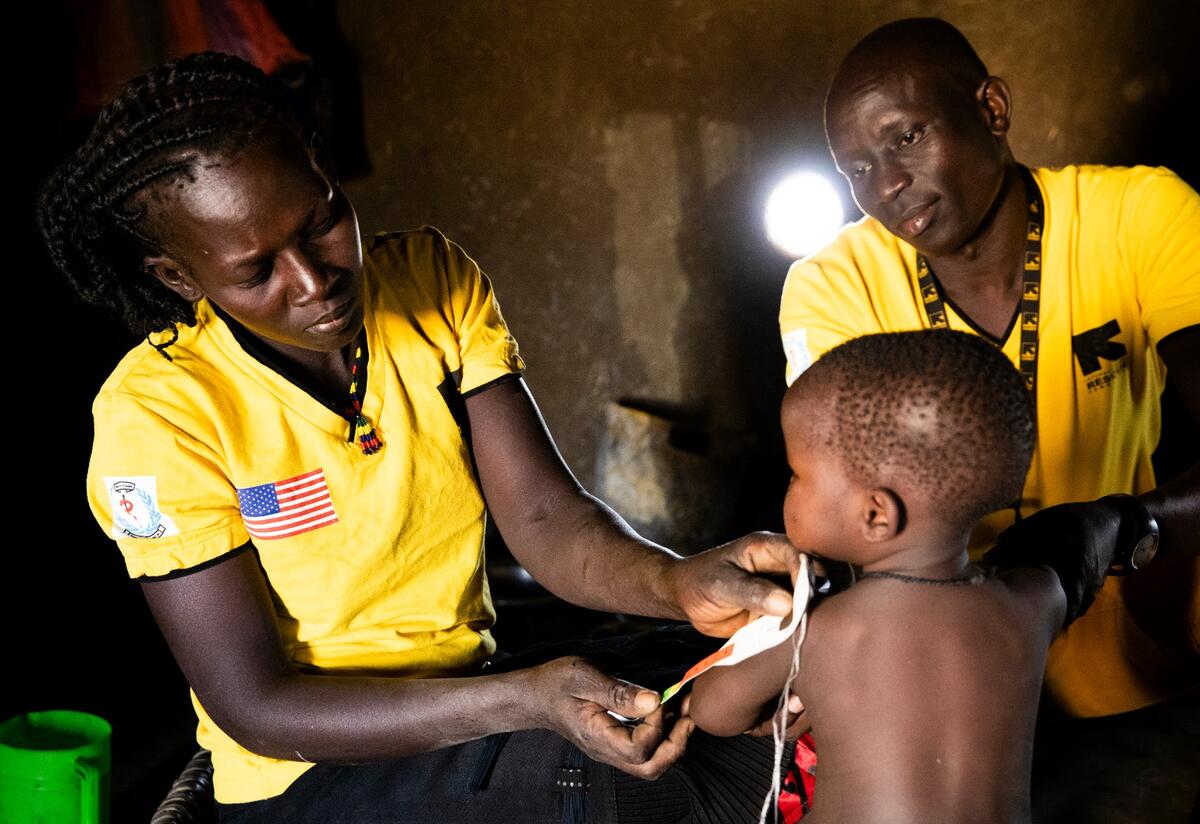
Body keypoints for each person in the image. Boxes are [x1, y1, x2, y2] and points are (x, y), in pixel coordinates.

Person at [37, 52, 800, 823]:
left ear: (322, 166)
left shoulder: (433, 283)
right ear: (179, 278)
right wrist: (519, 701)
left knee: (738, 680)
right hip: (310, 776)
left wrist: (677, 586)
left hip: (474, 699)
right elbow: (257, 706)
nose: (313, 282)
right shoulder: (160, 415)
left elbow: (544, 520)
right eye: (258, 270)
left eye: (322, 221)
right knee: (614, 780)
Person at [779, 17, 1198, 725]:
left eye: (906, 136)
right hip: (948, 692)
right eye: (855, 168)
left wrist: (1121, 526)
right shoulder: (832, 285)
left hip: (1139, 662)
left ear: (991, 109)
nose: (885, 184)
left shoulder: (1139, 216)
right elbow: (853, 518)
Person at [691, 330, 1073, 823]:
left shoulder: (825, 627)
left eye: (796, 475)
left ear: (876, 515)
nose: (788, 489)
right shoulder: (1039, 600)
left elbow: (713, 713)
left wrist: (757, 639)